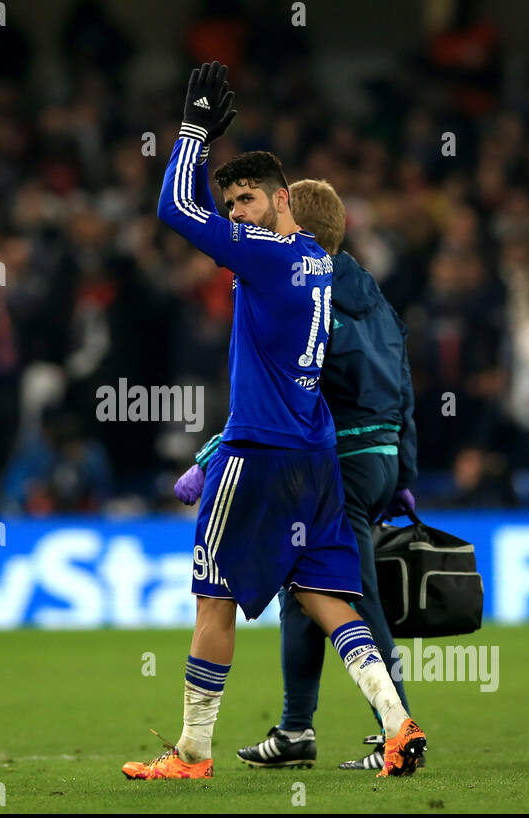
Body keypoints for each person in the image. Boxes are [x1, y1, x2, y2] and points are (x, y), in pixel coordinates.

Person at [121, 63, 425, 781]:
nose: (236, 214)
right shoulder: (317, 262)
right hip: (314, 456)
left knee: (213, 595)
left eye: (248, 199)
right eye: (230, 203)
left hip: (258, 456)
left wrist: (192, 132)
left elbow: (172, 210)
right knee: (325, 595)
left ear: (283, 198)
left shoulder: (264, 256)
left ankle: (194, 751)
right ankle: (395, 721)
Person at [178, 179, 421, 771]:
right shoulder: (375, 299)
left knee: (344, 594)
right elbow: (403, 384)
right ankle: (296, 730)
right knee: (309, 596)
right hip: (381, 457)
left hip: (329, 457)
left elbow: (297, 392)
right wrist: (403, 468)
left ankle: (394, 726)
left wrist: (211, 455)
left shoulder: (300, 286)